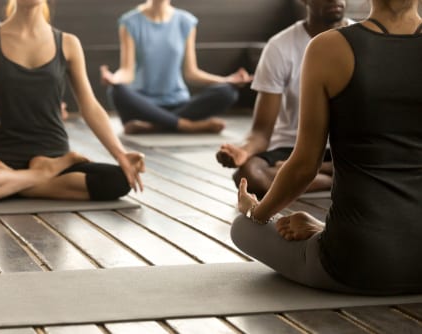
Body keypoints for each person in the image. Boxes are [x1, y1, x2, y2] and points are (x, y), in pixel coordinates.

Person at [232, 0, 422, 295]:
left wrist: (256, 213)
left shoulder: (328, 47)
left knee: (241, 228)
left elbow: (304, 168)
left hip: (356, 263)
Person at [0, 0, 145, 205]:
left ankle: (13, 184)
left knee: (118, 181)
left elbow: (90, 105)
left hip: (53, 155)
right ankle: (41, 175)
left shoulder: (68, 43)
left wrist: (121, 154)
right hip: (5, 156)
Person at [216, 0, 353, 198]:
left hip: (348, 150)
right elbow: (261, 132)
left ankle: (313, 173)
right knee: (249, 176)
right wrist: (243, 151)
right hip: (293, 149)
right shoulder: (280, 46)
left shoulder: (365, 39)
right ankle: (333, 177)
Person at [100, 0, 252, 134]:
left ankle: (155, 126)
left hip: (178, 103)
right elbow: (127, 71)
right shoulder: (129, 22)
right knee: (116, 90)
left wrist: (226, 80)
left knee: (228, 92)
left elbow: (192, 72)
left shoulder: (185, 21)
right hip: (143, 106)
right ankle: (186, 126)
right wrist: (114, 78)